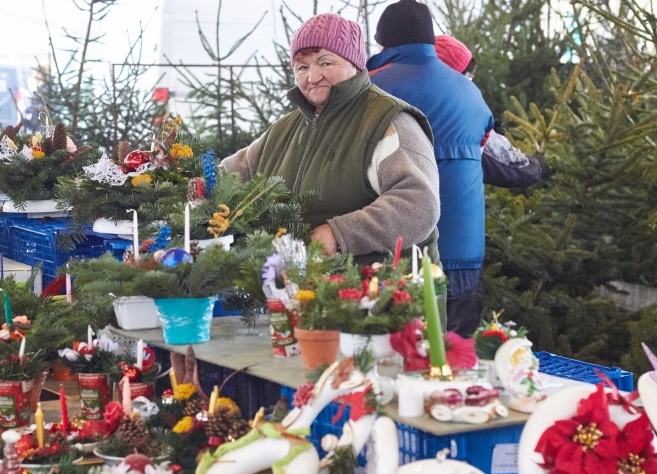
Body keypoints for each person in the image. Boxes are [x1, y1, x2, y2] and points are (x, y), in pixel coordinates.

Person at [222, 13, 440, 265]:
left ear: (355, 63)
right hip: (302, 294)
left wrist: (340, 234)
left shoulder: (388, 120)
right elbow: (229, 177)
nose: (313, 77)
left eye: (325, 63)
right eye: (302, 67)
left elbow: (418, 204)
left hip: (384, 294)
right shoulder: (284, 129)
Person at [366, 0, 494, 337]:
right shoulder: (470, 92)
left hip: (400, 258)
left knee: (398, 367)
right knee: (457, 363)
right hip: (466, 258)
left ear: (383, 41)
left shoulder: (372, 88)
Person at [435, 35, 548, 189]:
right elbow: (515, 168)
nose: (470, 83)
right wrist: (540, 165)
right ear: (453, 76)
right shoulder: (460, 117)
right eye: (467, 76)